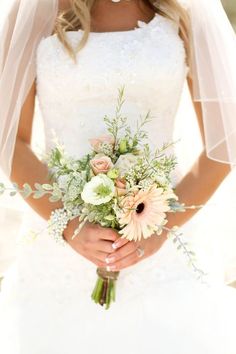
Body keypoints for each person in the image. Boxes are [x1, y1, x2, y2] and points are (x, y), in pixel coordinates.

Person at [0, 0, 236, 353]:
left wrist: (163, 223)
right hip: (58, 255)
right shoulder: (37, 9)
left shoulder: (185, 11)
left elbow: (225, 144)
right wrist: (70, 226)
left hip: (164, 256)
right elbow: (10, 140)